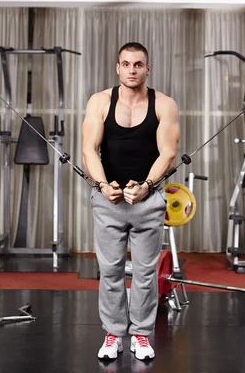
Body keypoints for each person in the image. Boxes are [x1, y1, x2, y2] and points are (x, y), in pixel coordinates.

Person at [81, 42, 180, 361]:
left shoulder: (164, 104)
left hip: (147, 201)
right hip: (108, 199)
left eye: (138, 64)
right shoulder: (99, 101)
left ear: (147, 69)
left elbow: (168, 152)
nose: (132, 70)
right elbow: (88, 150)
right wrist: (100, 184)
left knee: (145, 273)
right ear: (117, 67)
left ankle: (141, 335)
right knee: (109, 271)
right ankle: (113, 335)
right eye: (126, 64)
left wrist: (148, 186)